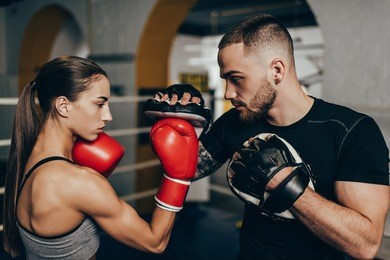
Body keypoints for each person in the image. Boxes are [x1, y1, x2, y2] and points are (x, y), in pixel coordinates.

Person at [146, 14, 390, 259]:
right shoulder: (238, 121)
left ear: (277, 70)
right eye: (225, 80)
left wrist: (288, 186)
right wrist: (181, 125)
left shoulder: (351, 131)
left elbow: (364, 245)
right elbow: (187, 169)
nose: (228, 93)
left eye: (236, 78)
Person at [2, 55, 198, 259]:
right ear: (63, 106)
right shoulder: (77, 182)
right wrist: (177, 178)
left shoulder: (29, 159)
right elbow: (155, 242)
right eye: (99, 104)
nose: (108, 116)